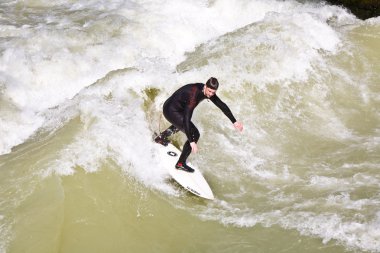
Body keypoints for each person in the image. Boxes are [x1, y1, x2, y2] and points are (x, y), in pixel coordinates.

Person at [155, 77, 243, 173]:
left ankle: (161, 137)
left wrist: (234, 121)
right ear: (205, 86)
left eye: (213, 92)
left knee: (180, 123)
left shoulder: (207, 92)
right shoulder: (194, 96)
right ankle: (180, 163)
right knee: (194, 133)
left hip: (174, 107)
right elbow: (186, 120)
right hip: (171, 110)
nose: (210, 94)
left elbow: (221, 105)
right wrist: (192, 141)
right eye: (209, 91)